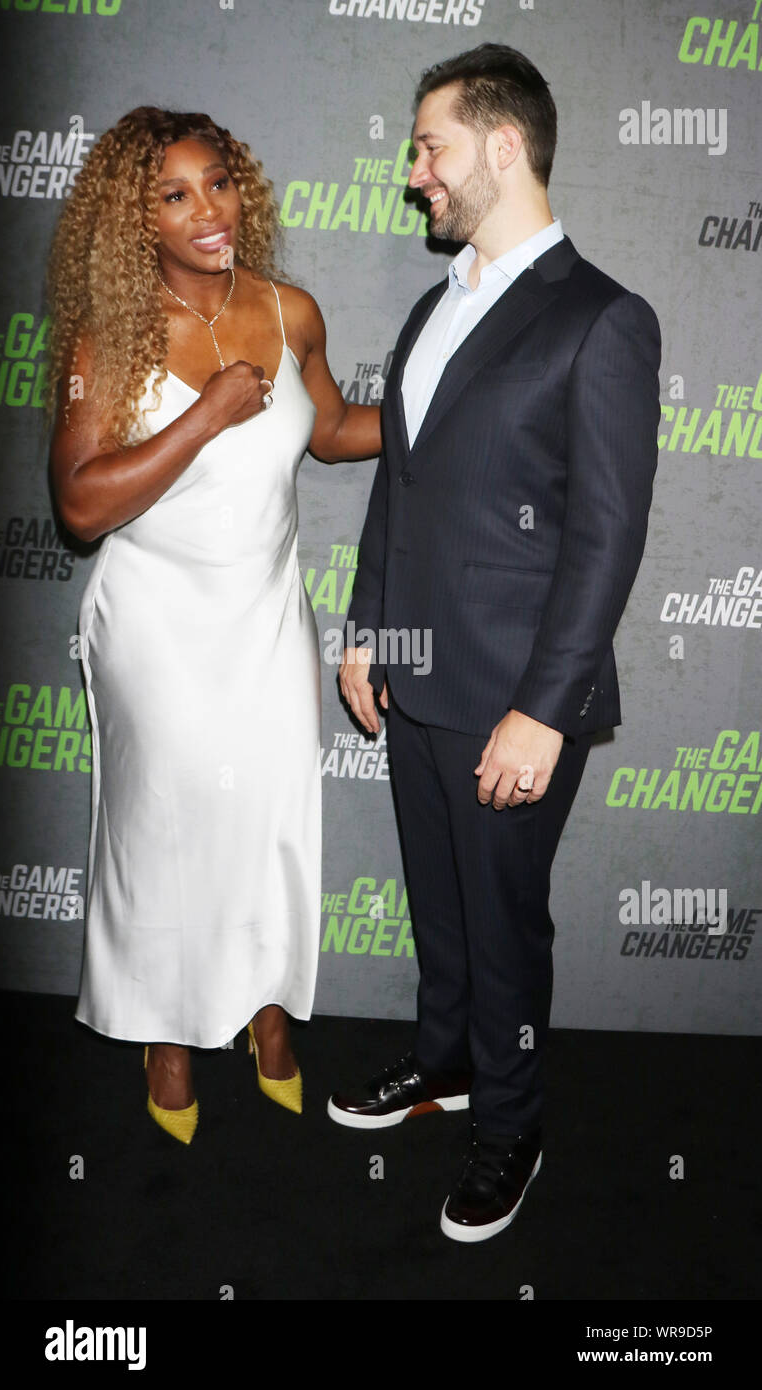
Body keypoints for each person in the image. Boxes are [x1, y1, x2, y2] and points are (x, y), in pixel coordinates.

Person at [331, 45, 661, 1241]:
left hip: (518, 696)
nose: (411, 169)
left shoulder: (602, 319)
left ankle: (509, 1122)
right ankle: (442, 1063)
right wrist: (366, 629)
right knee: (440, 905)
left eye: (429, 144)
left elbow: (606, 539)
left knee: (504, 925)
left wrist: (543, 707)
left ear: (500, 146)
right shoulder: (432, 305)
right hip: (415, 679)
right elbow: (398, 494)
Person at [47, 107, 380, 1144]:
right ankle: (166, 1034)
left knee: (272, 818)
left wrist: (445, 411)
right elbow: (81, 506)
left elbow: (327, 431)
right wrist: (207, 413)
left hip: (269, 613)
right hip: (155, 623)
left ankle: (267, 1015)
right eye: (175, 194)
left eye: (220, 183)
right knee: (168, 827)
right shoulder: (109, 339)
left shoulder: (291, 311)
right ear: (132, 218)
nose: (209, 212)